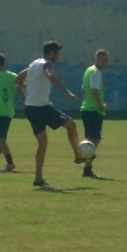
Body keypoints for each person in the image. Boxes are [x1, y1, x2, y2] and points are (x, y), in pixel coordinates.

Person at [16, 40, 83, 190]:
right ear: (52, 53)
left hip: (30, 108)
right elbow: (50, 75)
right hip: (42, 108)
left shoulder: (33, 64)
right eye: (57, 53)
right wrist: (67, 92)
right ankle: (78, 155)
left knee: (43, 143)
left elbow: (18, 79)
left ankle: (38, 178)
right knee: (71, 125)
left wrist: (25, 95)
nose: (58, 56)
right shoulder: (47, 64)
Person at [79, 48, 109, 179]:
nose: (104, 62)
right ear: (96, 59)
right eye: (102, 59)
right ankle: (84, 159)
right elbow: (94, 89)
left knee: (93, 139)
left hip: (87, 108)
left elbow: (83, 88)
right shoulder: (96, 72)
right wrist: (100, 104)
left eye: (106, 60)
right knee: (93, 140)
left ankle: (87, 166)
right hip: (93, 109)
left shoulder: (88, 70)